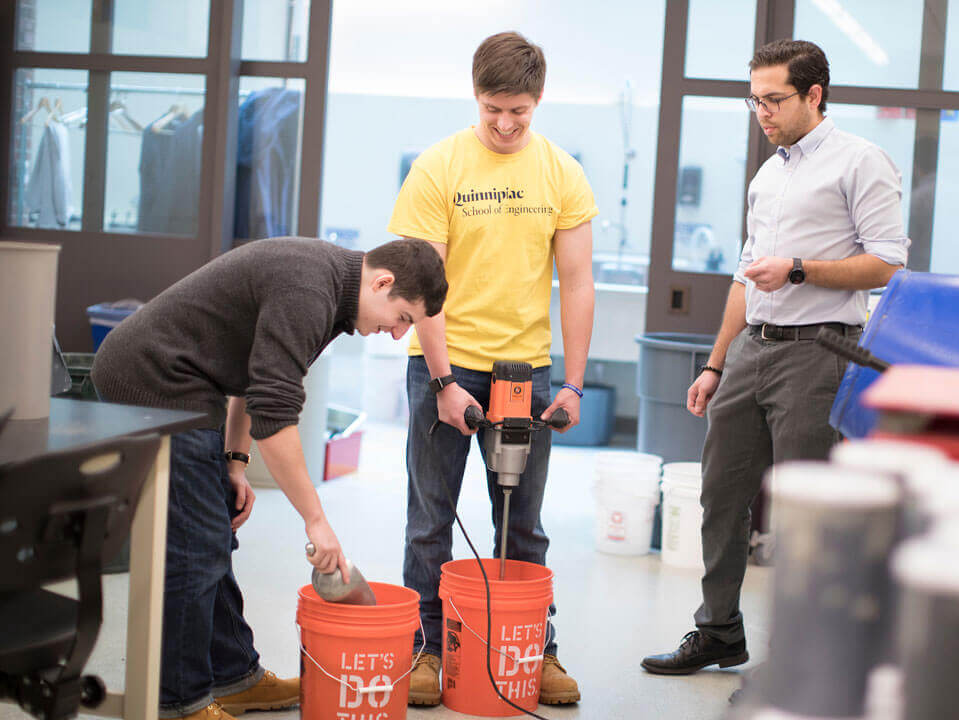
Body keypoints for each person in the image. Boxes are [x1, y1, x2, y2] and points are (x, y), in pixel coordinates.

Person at [91, 237, 448, 720]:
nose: (399, 334)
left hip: (188, 382)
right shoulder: (310, 290)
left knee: (212, 535)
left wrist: (235, 462)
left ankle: (234, 677)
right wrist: (315, 520)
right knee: (195, 546)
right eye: (403, 317)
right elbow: (274, 415)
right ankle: (178, 701)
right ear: (382, 283)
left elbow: (255, 378)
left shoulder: (337, 295)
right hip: (152, 379)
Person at [640, 39, 909, 679]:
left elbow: (887, 263)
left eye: (773, 99)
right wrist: (715, 363)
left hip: (820, 351)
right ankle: (719, 632)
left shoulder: (860, 162)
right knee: (720, 495)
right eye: (754, 100)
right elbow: (744, 276)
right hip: (752, 350)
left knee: (805, 513)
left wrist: (798, 269)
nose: (761, 112)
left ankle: (800, 660)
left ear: (814, 95)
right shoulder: (768, 175)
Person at [387, 31, 596, 707]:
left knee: (523, 524)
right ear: (475, 96)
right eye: (492, 110)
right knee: (431, 519)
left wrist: (572, 383)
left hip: (524, 375)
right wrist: (444, 382)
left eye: (519, 112)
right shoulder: (438, 167)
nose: (505, 125)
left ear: (539, 100)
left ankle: (536, 650)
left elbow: (578, 282)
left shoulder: (561, 172)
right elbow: (423, 284)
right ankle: (426, 650)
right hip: (444, 365)